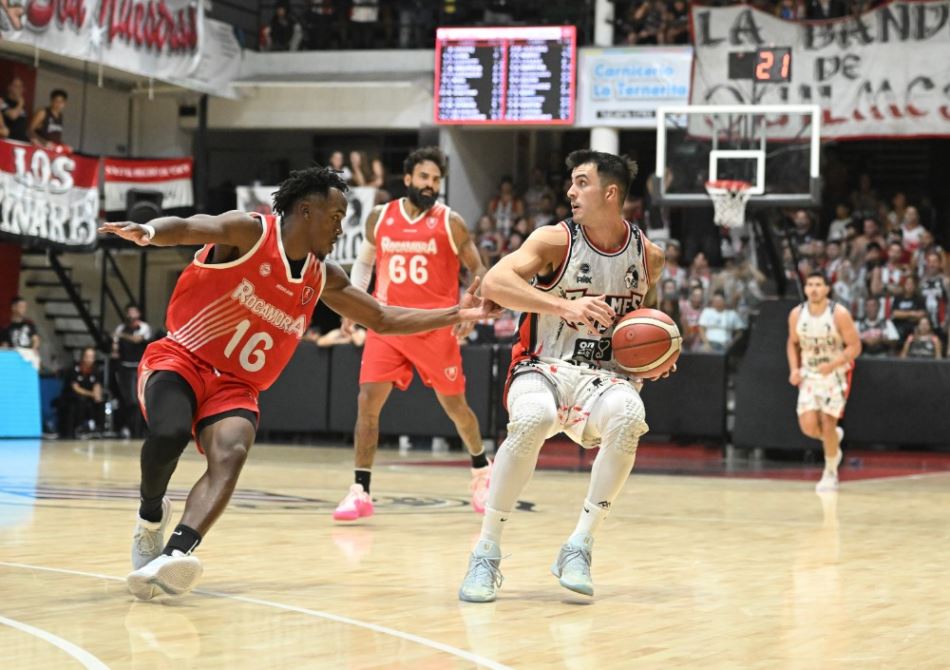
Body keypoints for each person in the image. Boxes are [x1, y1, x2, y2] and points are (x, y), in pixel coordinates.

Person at [98, 166, 498, 601]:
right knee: (169, 433)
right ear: (306, 211)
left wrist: (457, 314)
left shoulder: (322, 275)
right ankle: (150, 518)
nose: (340, 228)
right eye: (336, 216)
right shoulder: (250, 233)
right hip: (183, 357)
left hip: (235, 387)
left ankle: (173, 555)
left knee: (232, 450)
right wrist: (149, 231)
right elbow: (192, 226)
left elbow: (382, 317)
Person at [458, 150, 667, 603]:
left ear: (610, 193)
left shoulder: (649, 257)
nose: (570, 191)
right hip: (542, 365)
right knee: (532, 418)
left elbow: (645, 322)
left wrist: (659, 356)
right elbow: (494, 282)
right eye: (571, 182)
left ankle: (579, 545)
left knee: (630, 417)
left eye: (581, 182)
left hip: (603, 378)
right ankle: (486, 550)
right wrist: (563, 305)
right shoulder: (554, 240)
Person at [337, 147, 493, 521]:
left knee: (457, 409)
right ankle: (360, 490)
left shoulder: (450, 222)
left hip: (434, 327)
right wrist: (354, 305)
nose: (430, 185)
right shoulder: (380, 216)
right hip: (387, 323)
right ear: (407, 179)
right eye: (424, 177)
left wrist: (472, 305)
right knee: (367, 402)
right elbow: (364, 263)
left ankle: (481, 471)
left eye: (436, 180)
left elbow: (479, 270)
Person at [787, 272, 861, 493]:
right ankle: (832, 441)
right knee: (808, 426)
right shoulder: (796, 314)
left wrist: (834, 363)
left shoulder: (839, 313)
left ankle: (830, 473)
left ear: (827, 289)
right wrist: (794, 369)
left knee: (828, 422)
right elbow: (792, 343)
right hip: (810, 373)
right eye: (810, 284)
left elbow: (855, 347)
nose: (813, 288)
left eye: (818, 284)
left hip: (834, 374)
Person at [112, 303, 152, 438]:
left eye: (134, 312)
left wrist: (121, 335)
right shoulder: (121, 327)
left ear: (139, 314)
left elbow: (137, 339)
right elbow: (115, 346)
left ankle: (140, 430)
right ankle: (130, 428)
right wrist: (115, 347)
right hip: (125, 368)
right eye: (129, 312)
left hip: (140, 367)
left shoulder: (144, 327)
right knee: (130, 400)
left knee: (141, 399)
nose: (131, 315)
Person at [59, 347, 104, 438]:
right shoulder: (74, 369)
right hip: (73, 397)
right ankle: (78, 429)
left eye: (92, 357)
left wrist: (97, 395)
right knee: (80, 401)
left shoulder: (96, 370)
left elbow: (97, 385)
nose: (89, 359)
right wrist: (92, 394)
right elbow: (76, 388)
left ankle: (97, 428)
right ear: (83, 357)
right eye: (87, 356)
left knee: (100, 402)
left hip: (89, 398)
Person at [0, 295, 41, 369]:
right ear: (13, 308)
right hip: (14, 358)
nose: (24, 309)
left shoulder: (29, 324)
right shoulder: (6, 327)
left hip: (28, 357)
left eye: (25, 307)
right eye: (21, 307)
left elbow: (35, 339)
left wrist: (34, 349)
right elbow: (4, 346)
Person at [2, 77, 30, 142]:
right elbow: (13, 116)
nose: (19, 89)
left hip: (21, 141)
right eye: (16, 86)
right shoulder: (3, 101)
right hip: (8, 140)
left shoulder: (20, 105)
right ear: (9, 87)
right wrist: (21, 103)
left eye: (21, 86)